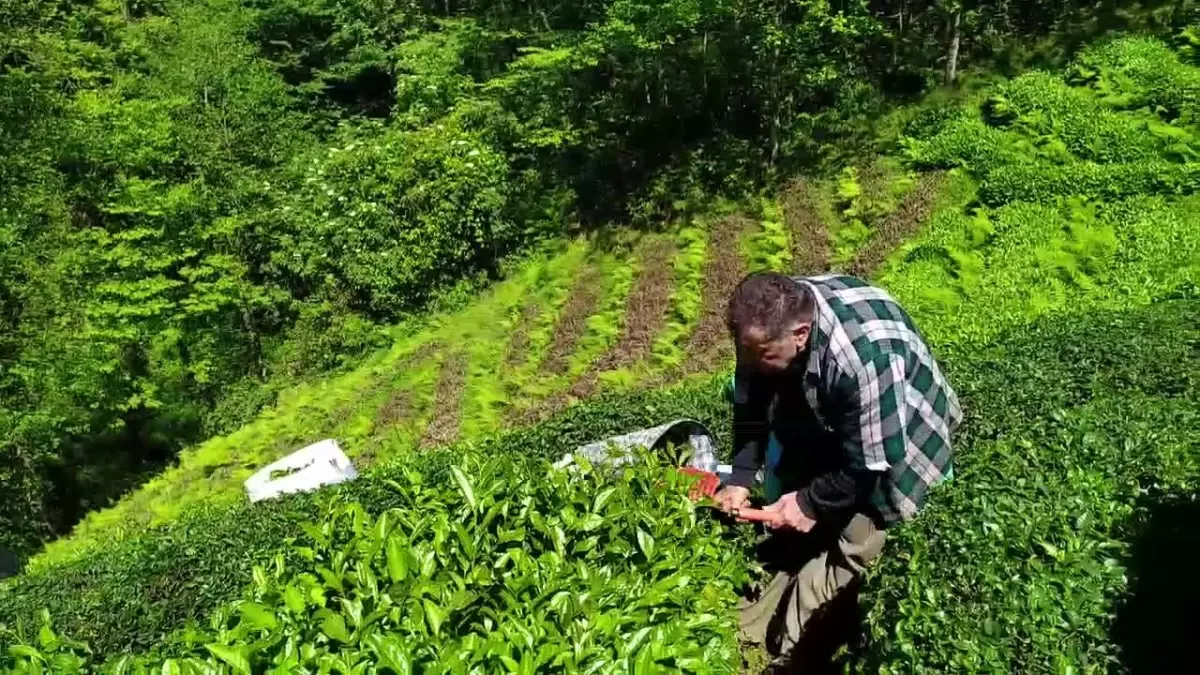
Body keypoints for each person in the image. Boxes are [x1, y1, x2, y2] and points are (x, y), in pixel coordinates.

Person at [715, 272, 961, 663]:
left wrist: (811, 502)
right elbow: (751, 399)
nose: (748, 362)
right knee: (791, 533)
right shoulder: (764, 326)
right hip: (829, 411)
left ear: (800, 334)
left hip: (893, 435)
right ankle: (743, 634)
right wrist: (741, 477)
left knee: (855, 539)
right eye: (743, 351)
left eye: (759, 354)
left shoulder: (864, 358)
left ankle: (785, 656)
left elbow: (870, 464)